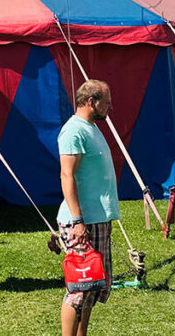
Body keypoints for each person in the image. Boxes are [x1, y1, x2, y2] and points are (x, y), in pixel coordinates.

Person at [57, 79, 119, 336]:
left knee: (93, 285)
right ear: (91, 102)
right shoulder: (74, 131)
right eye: (107, 103)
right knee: (79, 288)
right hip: (83, 221)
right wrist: (77, 220)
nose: (110, 107)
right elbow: (66, 176)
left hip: (97, 218)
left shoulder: (91, 128)